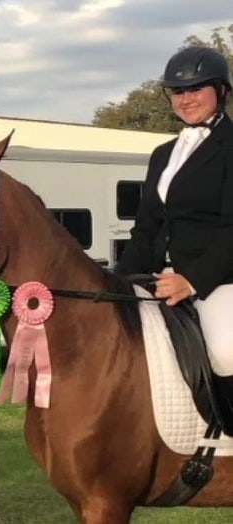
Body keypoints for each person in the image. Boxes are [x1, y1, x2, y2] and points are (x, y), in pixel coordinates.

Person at [115, 46, 233, 431]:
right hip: (157, 277)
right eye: (179, 92)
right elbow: (146, 225)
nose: (187, 99)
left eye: (197, 89)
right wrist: (118, 280)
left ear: (222, 91)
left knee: (225, 351)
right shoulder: (163, 154)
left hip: (216, 279)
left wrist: (193, 279)